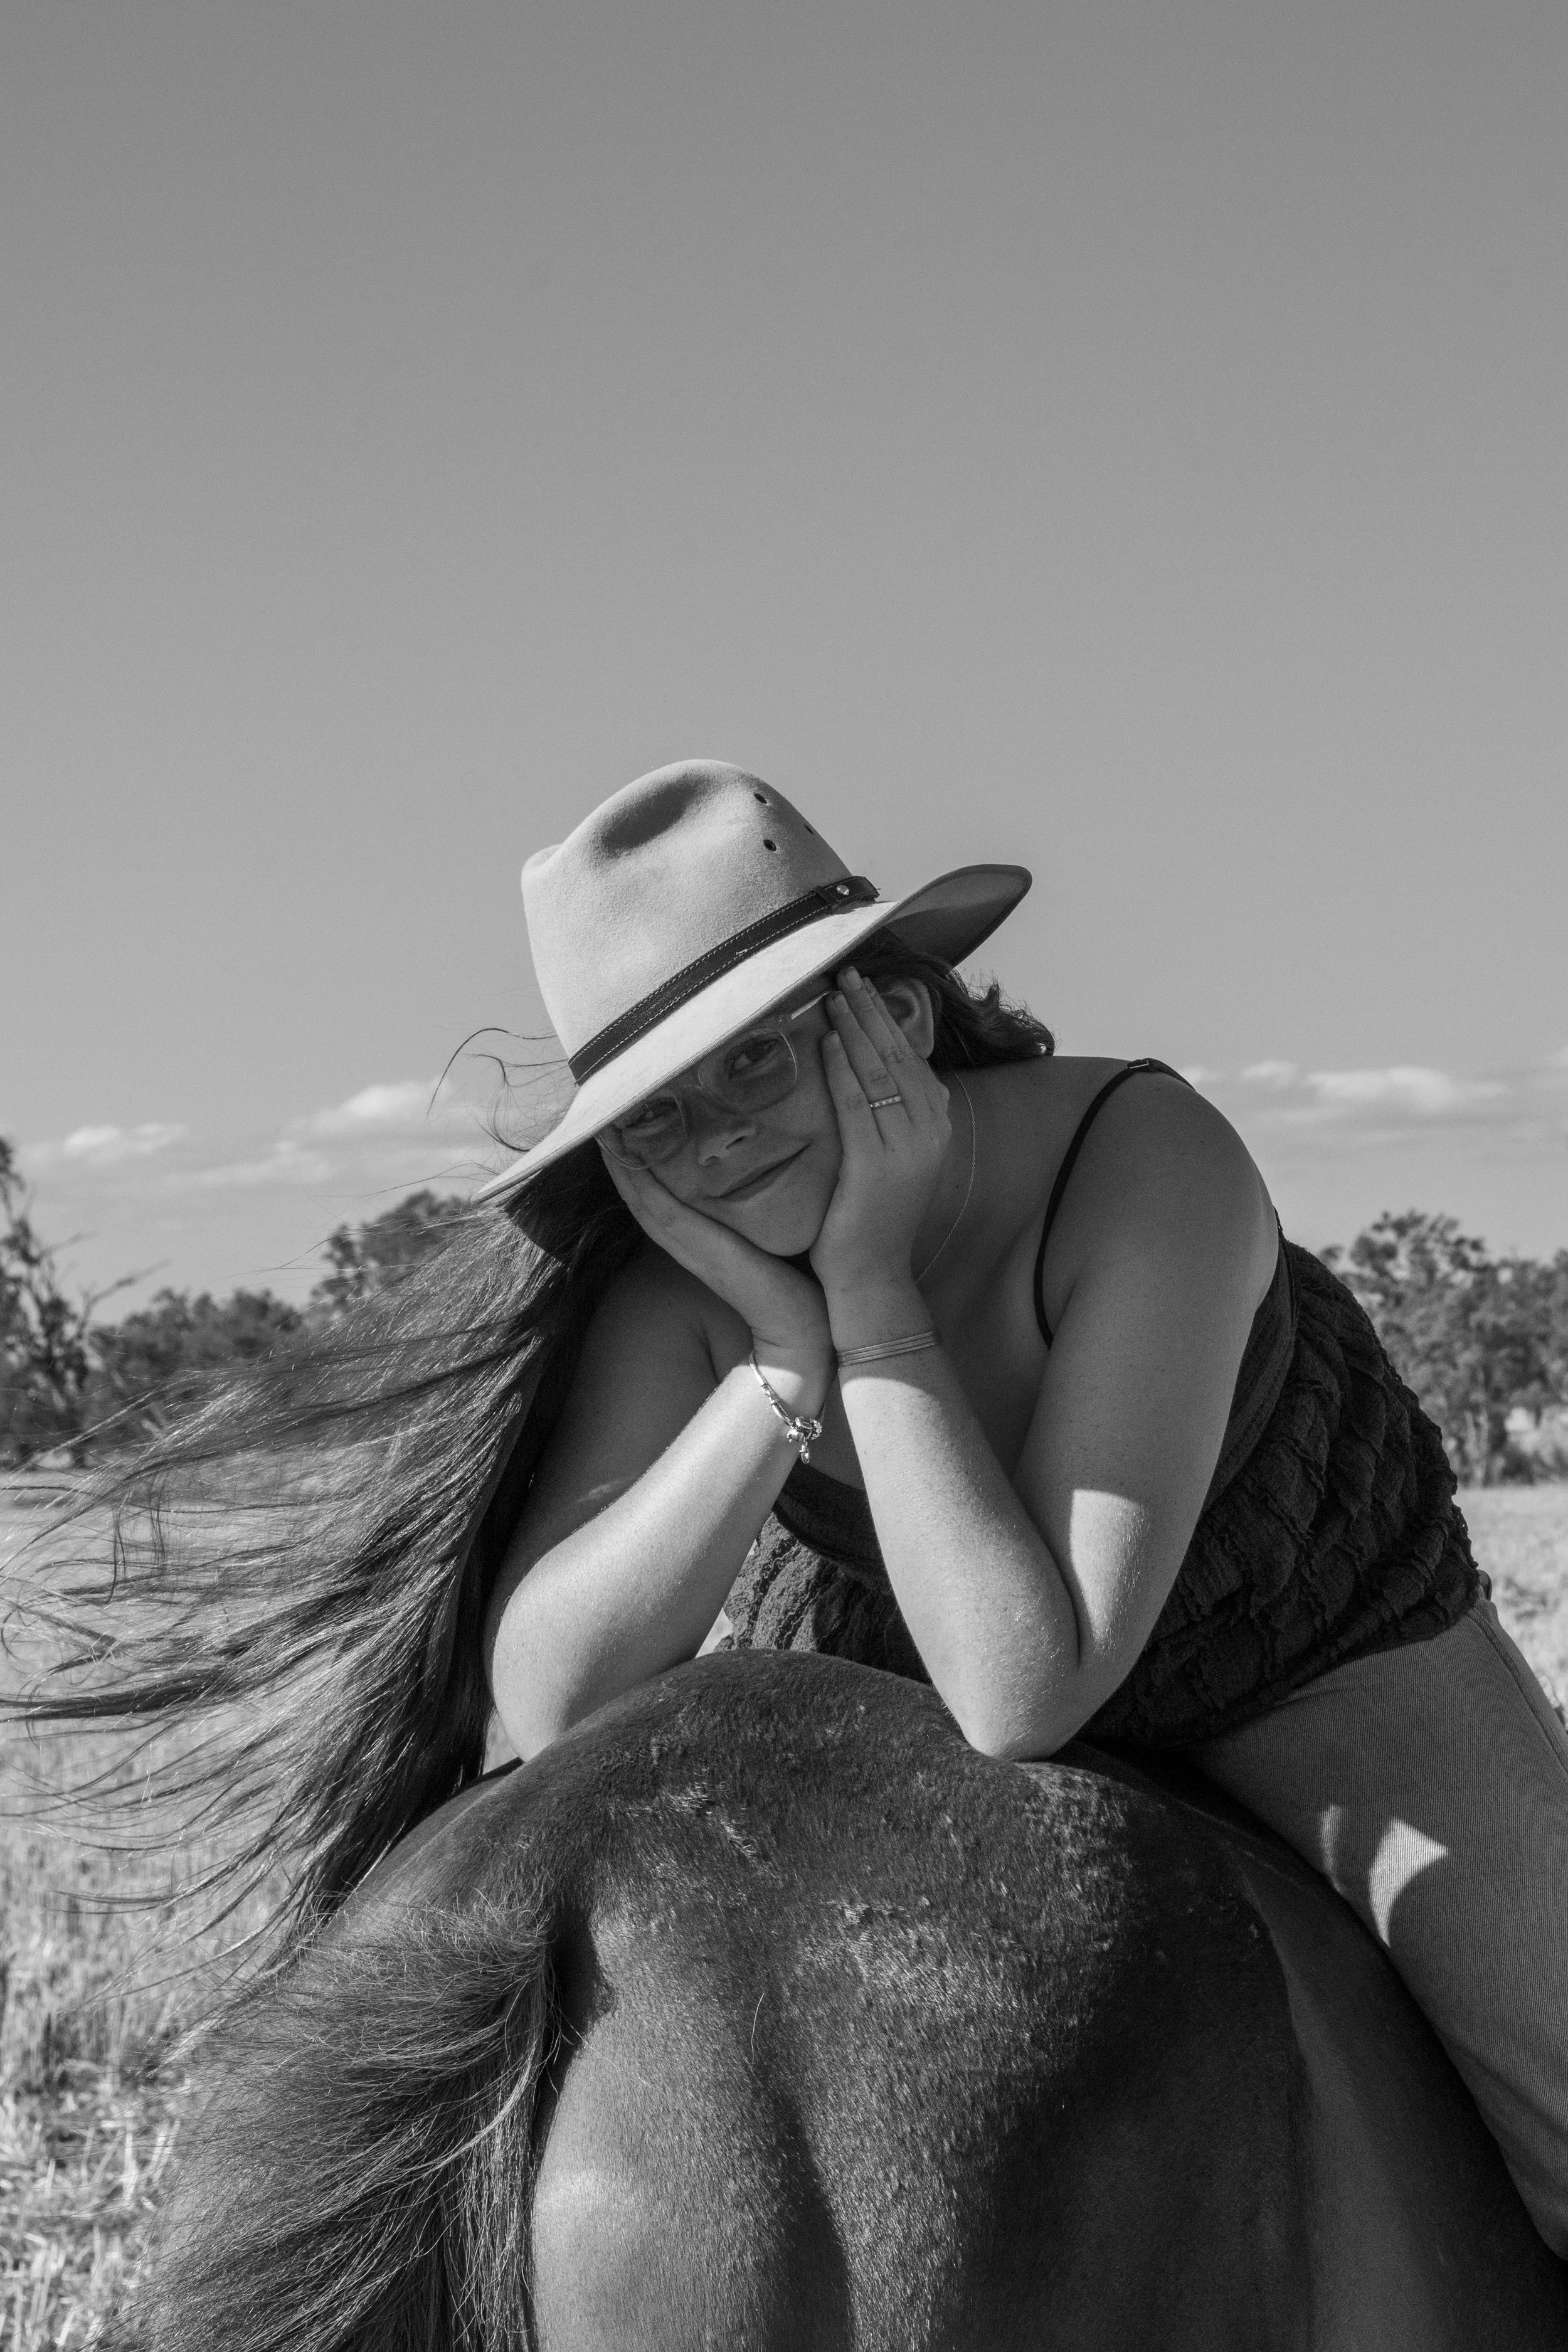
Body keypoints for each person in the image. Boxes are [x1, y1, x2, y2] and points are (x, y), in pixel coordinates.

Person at [17, 758, 1566, 2257]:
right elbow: (548, 1696)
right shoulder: (692, 1282)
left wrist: (873, 1302)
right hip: (914, 1671)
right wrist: (777, 1359)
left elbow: (1028, 1686)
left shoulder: (1144, 1159)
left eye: (757, 1053)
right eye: (658, 1111)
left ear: (890, 1013)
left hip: (1308, 1656)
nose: (717, 1137)